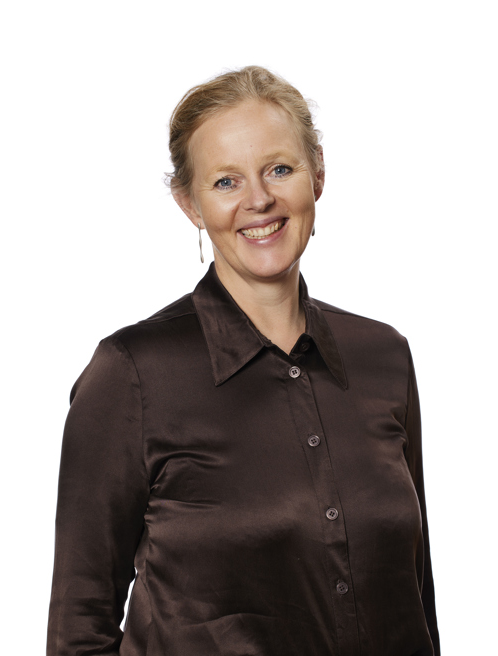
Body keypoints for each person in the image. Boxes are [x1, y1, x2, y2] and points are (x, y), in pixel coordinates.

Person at [47, 66, 440, 656]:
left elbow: (417, 596)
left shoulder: (383, 356)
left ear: (318, 174)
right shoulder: (132, 373)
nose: (258, 200)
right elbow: (79, 630)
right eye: (226, 181)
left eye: (280, 169)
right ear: (190, 203)